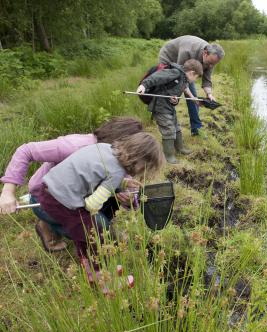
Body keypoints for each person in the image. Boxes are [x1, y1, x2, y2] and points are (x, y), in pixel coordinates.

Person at [0, 116, 144, 252]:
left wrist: (129, 199)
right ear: (118, 141)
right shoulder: (75, 145)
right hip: (46, 198)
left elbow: (124, 189)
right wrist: (8, 192)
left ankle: (56, 224)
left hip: (79, 196)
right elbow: (26, 151)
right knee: (98, 231)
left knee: (108, 211)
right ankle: (50, 224)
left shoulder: (121, 158)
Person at [36, 132, 162, 266]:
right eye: (145, 168)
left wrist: (122, 184)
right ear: (140, 160)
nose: (141, 172)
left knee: (83, 234)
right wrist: (96, 213)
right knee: (95, 235)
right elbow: (91, 205)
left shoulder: (105, 147)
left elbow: (96, 173)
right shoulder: (117, 172)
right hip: (61, 201)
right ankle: (100, 274)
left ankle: (85, 260)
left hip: (48, 188)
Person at [136, 58, 203, 164]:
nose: (195, 80)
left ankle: (180, 148)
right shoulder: (175, 72)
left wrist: (181, 99)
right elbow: (157, 77)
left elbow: (183, 89)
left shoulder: (184, 79)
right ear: (192, 73)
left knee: (176, 127)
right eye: (196, 77)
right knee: (168, 129)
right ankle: (169, 156)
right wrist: (143, 85)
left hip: (169, 106)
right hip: (160, 107)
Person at [158, 35, 225, 137]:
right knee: (174, 94)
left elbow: (207, 80)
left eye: (214, 64)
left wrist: (209, 94)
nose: (211, 66)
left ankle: (196, 129)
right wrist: (191, 96)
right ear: (205, 53)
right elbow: (181, 78)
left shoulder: (211, 58)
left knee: (193, 98)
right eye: (210, 63)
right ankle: (170, 127)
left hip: (189, 68)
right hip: (169, 59)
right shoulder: (187, 51)